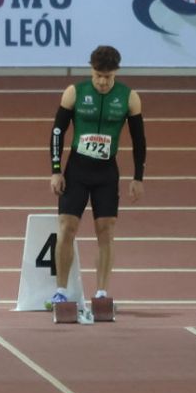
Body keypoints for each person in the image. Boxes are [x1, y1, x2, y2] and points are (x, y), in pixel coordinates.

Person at [47, 45, 146, 307]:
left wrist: (138, 177)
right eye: (98, 76)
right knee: (67, 228)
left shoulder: (129, 97)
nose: (102, 82)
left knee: (106, 231)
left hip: (106, 173)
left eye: (108, 77)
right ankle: (61, 290)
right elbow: (57, 132)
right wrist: (56, 171)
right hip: (76, 170)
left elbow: (139, 141)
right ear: (91, 70)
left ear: (116, 73)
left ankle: (101, 293)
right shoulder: (74, 93)